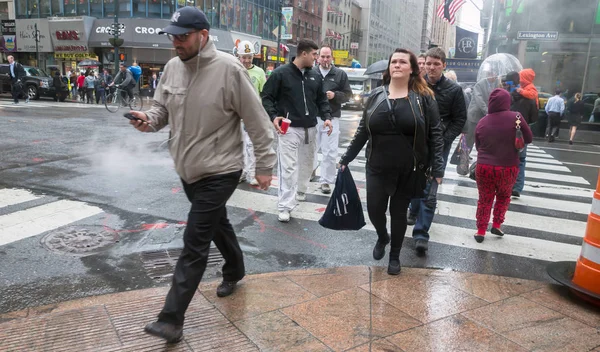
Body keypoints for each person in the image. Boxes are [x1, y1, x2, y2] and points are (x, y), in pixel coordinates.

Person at [127, 7, 276, 343]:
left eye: (182, 35)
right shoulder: (171, 68)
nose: (175, 42)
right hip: (187, 168)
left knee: (195, 241)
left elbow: (257, 121)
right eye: (173, 36)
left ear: (203, 36)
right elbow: (161, 110)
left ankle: (171, 319)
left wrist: (265, 166)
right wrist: (146, 119)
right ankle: (236, 267)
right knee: (215, 224)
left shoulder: (229, 69)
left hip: (221, 168)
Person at [339, 48, 445, 275]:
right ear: (389, 68)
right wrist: (346, 158)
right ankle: (381, 236)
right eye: (393, 62)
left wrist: (438, 167)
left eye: (402, 62)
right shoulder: (376, 95)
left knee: (398, 214)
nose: (397, 65)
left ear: (412, 69)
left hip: (408, 168)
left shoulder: (424, 98)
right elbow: (362, 132)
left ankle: (395, 255)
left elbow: (436, 133)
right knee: (375, 210)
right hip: (377, 166)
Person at [261, 39, 333, 223]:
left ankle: (300, 190)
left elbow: (321, 100)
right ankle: (285, 206)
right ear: (304, 54)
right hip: (289, 128)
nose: (316, 58)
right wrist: (273, 115)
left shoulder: (315, 75)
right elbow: (267, 96)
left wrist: (326, 117)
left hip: (310, 127)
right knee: (288, 167)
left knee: (308, 164)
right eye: (314, 54)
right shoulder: (280, 74)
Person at [407, 47, 466, 256]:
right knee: (415, 181)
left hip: (439, 145)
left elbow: (460, 119)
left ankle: (421, 234)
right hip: (415, 143)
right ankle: (413, 209)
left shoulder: (454, 90)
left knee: (431, 188)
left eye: (436, 64)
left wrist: (444, 138)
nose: (431, 68)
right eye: (428, 63)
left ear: (444, 65)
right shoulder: (414, 86)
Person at [474, 88, 532, 243]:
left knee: (484, 199)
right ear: (507, 101)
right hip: (508, 167)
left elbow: (478, 145)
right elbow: (529, 138)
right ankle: (497, 224)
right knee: (504, 196)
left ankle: (480, 231)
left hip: (484, 167)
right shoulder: (516, 117)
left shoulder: (482, 121)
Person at [312, 44, 352, 194]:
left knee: (330, 151)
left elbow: (348, 95)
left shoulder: (340, 74)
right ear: (318, 57)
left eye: (328, 56)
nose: (325, 59)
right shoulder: (311, 72)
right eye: (322, 56)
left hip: (333, 117)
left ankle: (326, 181)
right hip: (313, 117)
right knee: (310, 149)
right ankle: (311, 170)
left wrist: (335, 96)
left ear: (332, 57)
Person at [236, 40, 267, 186]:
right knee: (238, 146)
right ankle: (241, 172)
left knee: (251, 145)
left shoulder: (259, 72)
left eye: (249, 57)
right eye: (244, 57)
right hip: (235, 115)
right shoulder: (233, 69)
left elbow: (264, 94)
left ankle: (252, 173)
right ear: (238, 56)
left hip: (253, 115)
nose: (247, 60)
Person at [502, 71, 537, 198]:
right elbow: (534, 117)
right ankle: (517, 187)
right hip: (522, 131)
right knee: (521, 160)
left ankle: (505, 184)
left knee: (505, 158)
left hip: (507, 129)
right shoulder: (532, 98)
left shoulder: (508, 95)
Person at [465, 64, 500, 151]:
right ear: (489, 74)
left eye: (496, 74)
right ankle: (462, 160)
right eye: (493, 74)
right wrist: (488, 111)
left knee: (484, 140)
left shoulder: (497, 84)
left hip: (487, 117)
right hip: (475, 116)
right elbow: (479, 100)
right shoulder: (480, 84)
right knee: (469, 139)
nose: (494, 76)